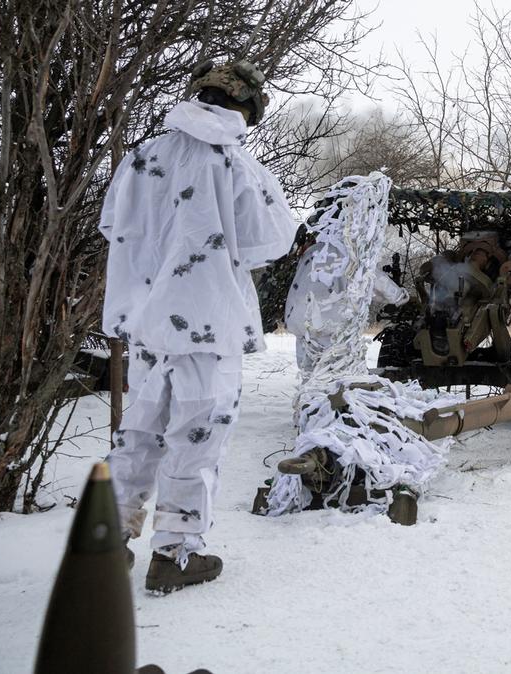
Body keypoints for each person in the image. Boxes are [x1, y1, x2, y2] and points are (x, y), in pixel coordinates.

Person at [100, 59, 296, 593]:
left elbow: (111, 224)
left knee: (137, 433)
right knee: (197, 436)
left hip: (146, 326)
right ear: (249, 108)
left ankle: (104, 545)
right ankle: (175, 554)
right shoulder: (236, 164)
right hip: (210, 326)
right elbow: (270, 241)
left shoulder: (140, 158)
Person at [283, 181, 411, 377]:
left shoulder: (312, 252)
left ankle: (311, 404)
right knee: (336, 375)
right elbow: (375, 281)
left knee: (310, 374)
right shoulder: (348, 252)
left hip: (301, 321)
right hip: (328, 323)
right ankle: (331, 405)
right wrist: (400, 296)